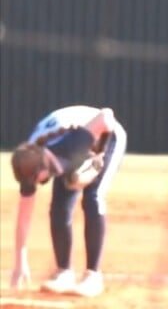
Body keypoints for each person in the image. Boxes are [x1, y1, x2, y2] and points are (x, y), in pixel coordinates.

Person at [8, 105, 127, 298]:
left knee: (93, 198)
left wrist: (99, 156)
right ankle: (64, 272)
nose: (35, 184)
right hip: (73, 148)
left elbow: (106, 116)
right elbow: (24, 215)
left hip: (107, 135)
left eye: (36, 179)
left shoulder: (70, 145)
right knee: (59, 208)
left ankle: (92, 277)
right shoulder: (28, 159)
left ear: (44, 169)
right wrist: (20, 262)